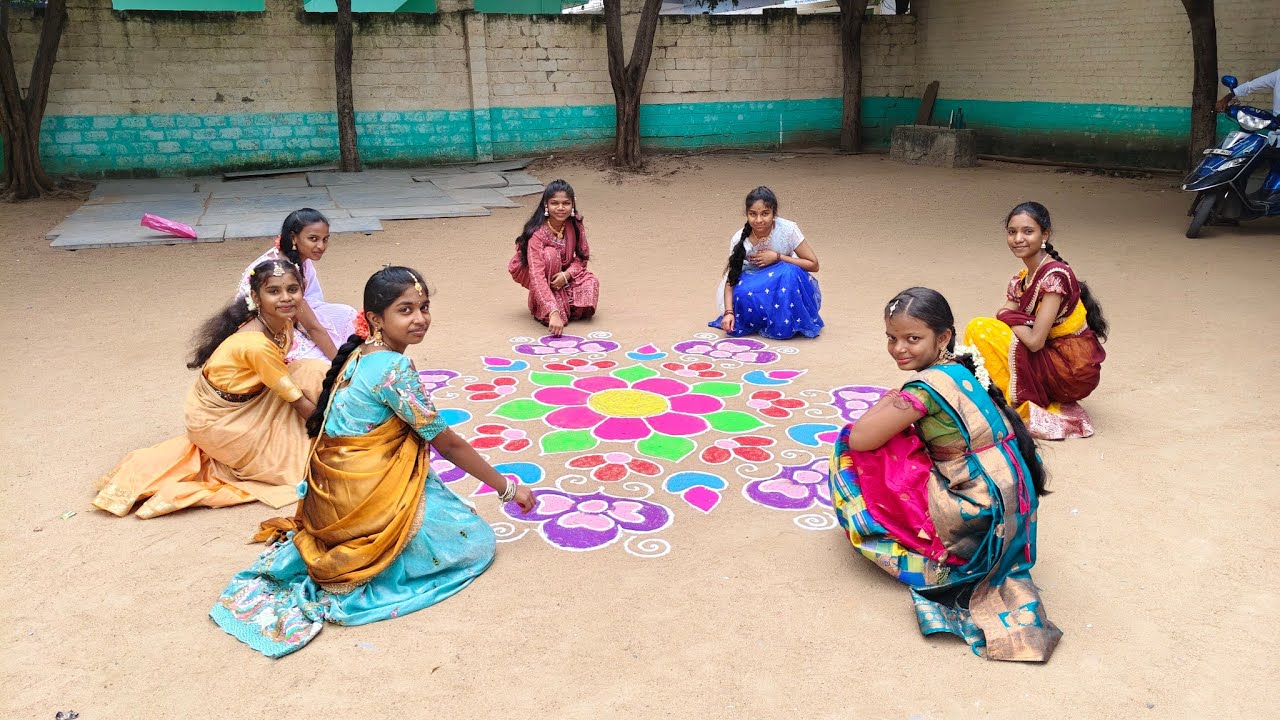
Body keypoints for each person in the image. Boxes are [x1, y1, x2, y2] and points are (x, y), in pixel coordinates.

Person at [212, 266, 536, 657]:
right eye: (405, 310)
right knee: (476, 543)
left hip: (329, 498)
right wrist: (508, 488)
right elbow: (447, 444)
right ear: (376, 319)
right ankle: (374, 555)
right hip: (363, 500)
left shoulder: (358, 353)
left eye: (424, 307)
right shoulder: (393, 368)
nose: (419, 319)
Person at [829, 287, 1061, 662]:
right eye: (892, 338)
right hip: (1006, 498)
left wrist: (892, 398)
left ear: (944, 337)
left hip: (977, 514)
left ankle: (895, 537)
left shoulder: (925, 390)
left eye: (912, 339)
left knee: (848, 450)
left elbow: (861, 437)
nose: (899, 348)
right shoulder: (960, 367)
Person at [93, 260, 327, 519]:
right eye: (274, 291)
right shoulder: (255, 343)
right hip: (220, 419)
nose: (286, 298)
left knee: (312, 371)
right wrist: (336, 431)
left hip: (252, 397)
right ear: (255, 296)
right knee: (305, 463)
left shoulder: (281, 321)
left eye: (292, 289)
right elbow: (296, 401)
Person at [963, 202, 1108, 440]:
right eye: (1012, 232)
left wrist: (1006, 316)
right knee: (981, 332)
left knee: (981, 328)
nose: (1018, 238)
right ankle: (999, 396)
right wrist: (1005, 318)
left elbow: (1034, 341)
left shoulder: (1054, 279)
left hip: (1068, 369)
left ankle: (1007, 405)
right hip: (1050, 356)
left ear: (1045, 234)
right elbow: (1000, 324)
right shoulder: (1022, 278)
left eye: (1027, 231)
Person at [236, 208, 362, 362]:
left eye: (325, 239)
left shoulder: (300, 259)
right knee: (320, 362)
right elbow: (312, 326)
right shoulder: (282, 269)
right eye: (313, 239)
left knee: (346, 314)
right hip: (268, 327)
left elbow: (312, 302)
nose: (321, 246)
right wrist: (340, 367)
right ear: (293, 238)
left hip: (292, 315)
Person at [708, 186, 822, 339]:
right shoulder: (739, 239)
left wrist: (778, 257)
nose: (759, 220)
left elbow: (813, 265)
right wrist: (728, 313)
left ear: (774, 213)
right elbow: (732, 278)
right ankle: (762, 319)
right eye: (753, 214)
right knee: (741, 293)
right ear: (747, 214)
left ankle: (786, 321)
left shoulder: (788, 230)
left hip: (785, 284)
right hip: (754, 285)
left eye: (765, 214)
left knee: (789, 272)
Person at [508, 180, 598, 337]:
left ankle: (563, 304)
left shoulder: (575, 223)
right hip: (545, 280)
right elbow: (536, 276)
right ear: (546, 205)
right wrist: (553, 311)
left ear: (573, 204)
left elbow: (582, 257)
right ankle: (543, 306)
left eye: (566, 203)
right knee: (550, 255)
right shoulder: (537, 234)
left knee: (591, 282)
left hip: (564, 278)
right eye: (555, 203)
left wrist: (566, 275)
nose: (561, 208)